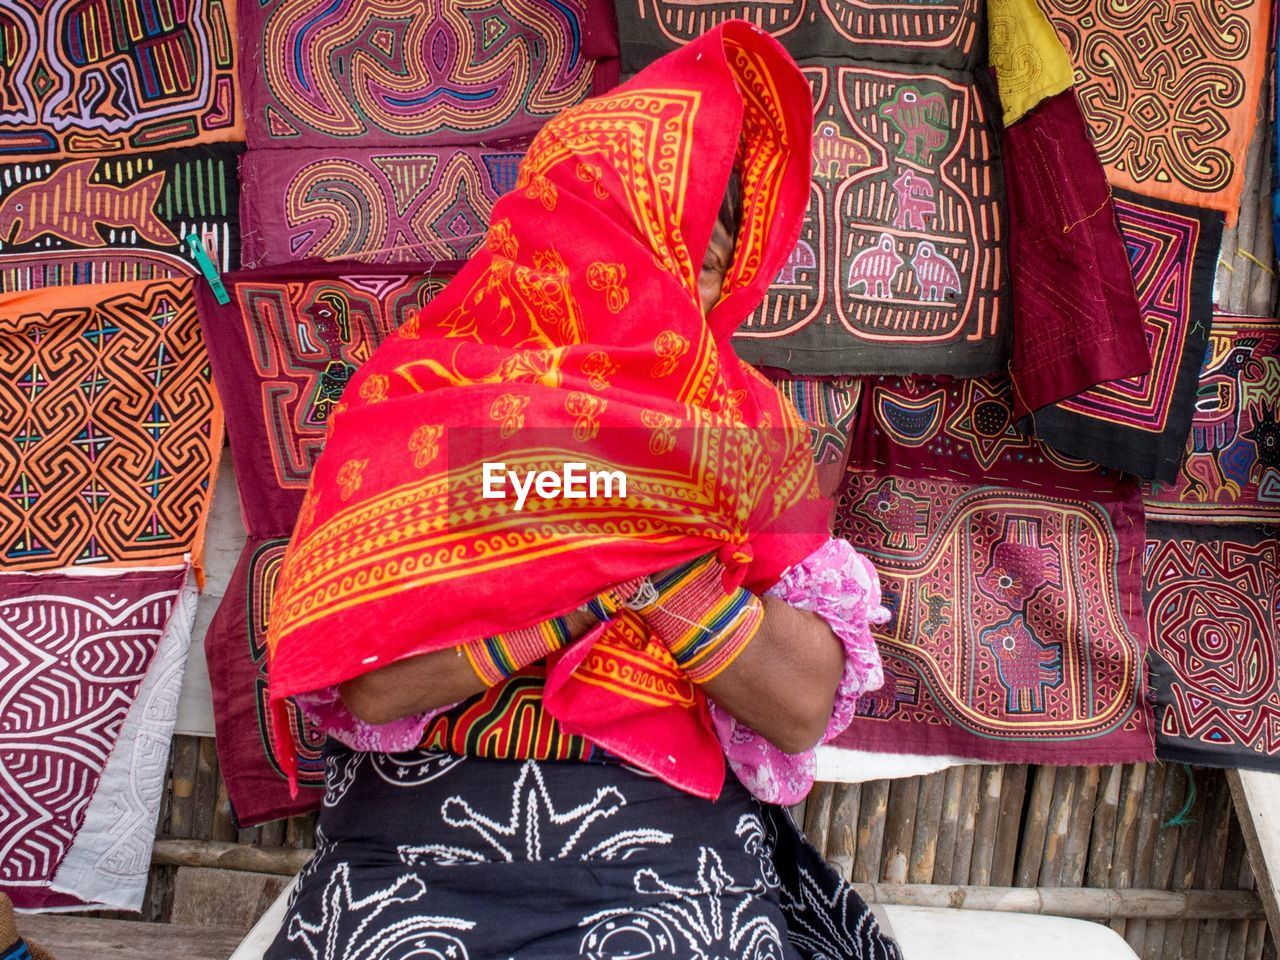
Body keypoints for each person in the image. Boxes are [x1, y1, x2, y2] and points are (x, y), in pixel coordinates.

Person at [265, 23, 903, 960]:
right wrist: (593, 579)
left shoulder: (744, 427)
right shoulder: (417, 403)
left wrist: (629, 560)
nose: (723, 275)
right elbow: (373, 687)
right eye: (691, 242)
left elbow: (801, 706)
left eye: (727, 252)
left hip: (666, 851)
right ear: (592, 240)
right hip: (423, 843)